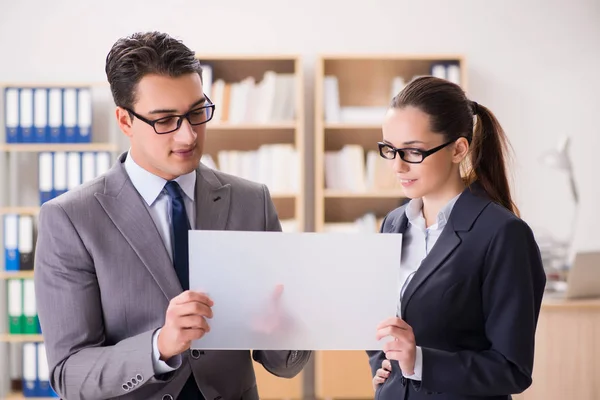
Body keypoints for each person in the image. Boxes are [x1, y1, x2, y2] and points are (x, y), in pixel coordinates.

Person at [34, 31, 311, 400]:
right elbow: (69, 374)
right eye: (165, 120)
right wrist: (159, 346)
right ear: (125, 121)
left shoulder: (251, 201)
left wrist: (284, 330)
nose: (188, 136)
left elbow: (286, 363)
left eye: (198, 112)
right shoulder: (71, 220)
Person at [368, 76, 546, 400]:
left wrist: (419, 361)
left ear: (458, 149)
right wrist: (382, 363)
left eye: (412, 152)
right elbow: (384, 318)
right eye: (390, 150)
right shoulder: (393, 223)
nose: (397, 166)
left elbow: (512, 369)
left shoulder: (503, 235)